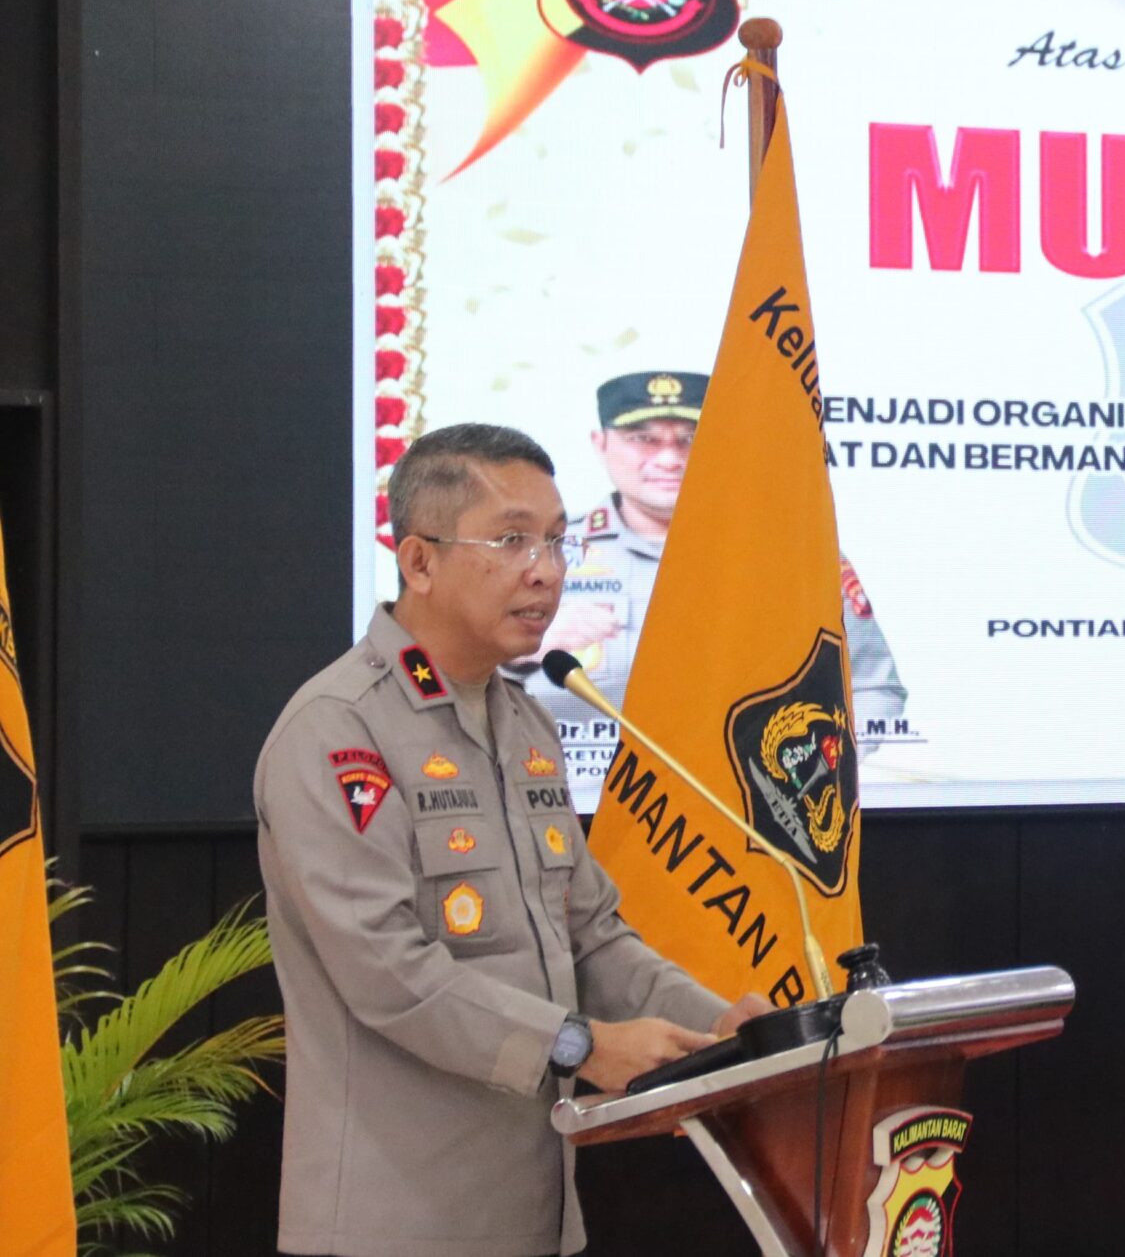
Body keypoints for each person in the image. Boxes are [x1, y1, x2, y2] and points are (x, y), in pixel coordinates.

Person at [256, 424, 775, 1257]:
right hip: (394, 1227)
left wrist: (729, 1032)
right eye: (511, 540)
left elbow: (592, 937)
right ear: (418, 560)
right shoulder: (338, 729)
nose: (546, 570)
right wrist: (582, 1045)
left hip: (536, 1216)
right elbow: (387, 970)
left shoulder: (527, 724)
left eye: (557, 540)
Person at [525, 371, 909, 804]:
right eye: (643, 439)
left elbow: (873, 691)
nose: (669, 459)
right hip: (577, 815)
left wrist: (811, 782)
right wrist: (524, 653)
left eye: (690, 439)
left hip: (745, 820)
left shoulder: (797, 557)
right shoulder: (539, 554)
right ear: (601, 444)